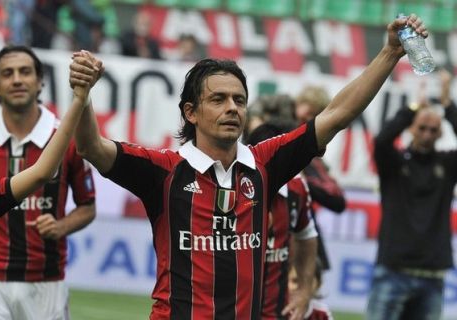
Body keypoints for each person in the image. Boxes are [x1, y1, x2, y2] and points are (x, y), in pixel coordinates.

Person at [70, 14, 428, 320]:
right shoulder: (163, 170)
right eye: (218, 99)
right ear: (190, 112)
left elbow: (335, 115)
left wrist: (389, 53)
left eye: (239, 100)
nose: (232, 108)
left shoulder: (264, 165)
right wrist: (83, 97)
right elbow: (90, 147)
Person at [0, 45, 97, 320]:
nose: (17, 79)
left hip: (46, 282)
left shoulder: (65, 141)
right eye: (7, 73)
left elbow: (87, 207)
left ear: (40, 81)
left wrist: (60, 226)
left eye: (25, 72)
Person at [367, 68, 456, 320]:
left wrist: (448, 105)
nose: (427, 134)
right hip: (393, 270)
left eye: (433, 129)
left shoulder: (447, 165)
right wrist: (414, 108)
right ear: (411, 128)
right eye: (422, 127)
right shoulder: (394, 164)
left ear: (440, 133)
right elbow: (382, 140)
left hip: (432, 276)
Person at [245, 121, 318, 320]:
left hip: (274, 314)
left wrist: (304, 290)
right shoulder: (230, 187)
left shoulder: (298, 189)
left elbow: (308, 235)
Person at [293, 85, 346, 271]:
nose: (303, 120)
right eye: (300, 116)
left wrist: (300, 181)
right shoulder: (278, 140)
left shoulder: (314, 158)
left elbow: (337, 199)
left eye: (310, 116)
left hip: (302, 237)